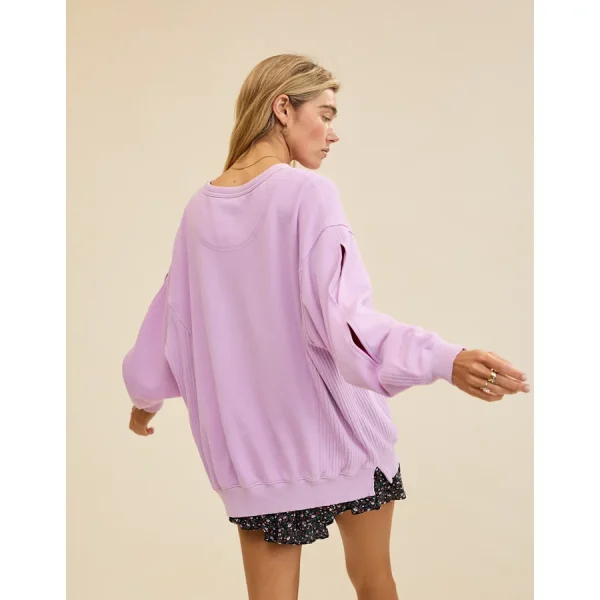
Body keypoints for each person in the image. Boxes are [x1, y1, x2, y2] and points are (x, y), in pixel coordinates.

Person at [123, 54, 530, 600]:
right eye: (326, 114)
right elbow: (346, 320)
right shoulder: (308, 194)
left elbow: (171, 316)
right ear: (282, 108)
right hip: (344, 438)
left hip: (254, 459)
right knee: (375, 584)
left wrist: (145, 396)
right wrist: (443, 358)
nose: (333, 134)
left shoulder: (199, 209)